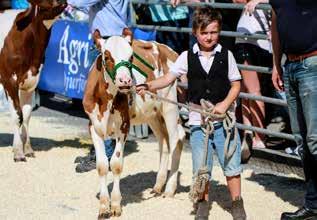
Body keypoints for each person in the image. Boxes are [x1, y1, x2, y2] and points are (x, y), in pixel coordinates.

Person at [137, 6, 246, 220]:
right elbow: (168, 79)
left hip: (223, 121)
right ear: (195, 32)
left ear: (219, 31)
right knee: (201, 166)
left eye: (213, 32)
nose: (209, 37)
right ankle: (203, 202)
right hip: (198, 121)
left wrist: (224, 105)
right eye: (204, 33)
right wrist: (149, 86)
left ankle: (237, 202)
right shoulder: (186, 57)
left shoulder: (227, 55)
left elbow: (236, 85)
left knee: (231, 162)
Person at [67, 0, 130, 173]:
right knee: (98, 102)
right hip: (108, 40)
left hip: (109, 42)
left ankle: (106, 154)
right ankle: (98, 151)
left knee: (103, 102)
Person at [270, 0, 317, 219]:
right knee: (302, 140)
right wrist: (276, 64)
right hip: (290, 66)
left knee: (315, 140)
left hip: (313, 63)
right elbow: (276, 23)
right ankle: (313, 202)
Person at [234, 0, 272, 150]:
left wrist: (259, 0)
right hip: (247, 38)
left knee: (253, 91)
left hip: (255, 40)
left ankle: (259, 137)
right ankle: (249, 133)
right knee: (245, 90)